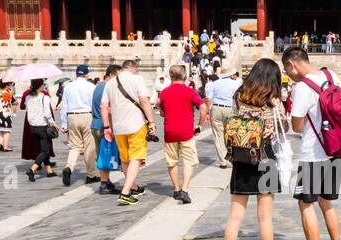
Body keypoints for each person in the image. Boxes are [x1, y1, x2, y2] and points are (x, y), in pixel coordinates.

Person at [282, 45, 341, 240]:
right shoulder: (332, 76)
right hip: (335, 149)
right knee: (326, 202)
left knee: (305, 203)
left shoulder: (301, 88)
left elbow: (297, 125)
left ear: (292, 64)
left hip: (313, 153)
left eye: (286, 70)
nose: (287, 75)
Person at [219, 58, 285, 240]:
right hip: (266, 157)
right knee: (265, 217)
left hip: (241, 155)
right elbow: (280, 127)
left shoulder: (239, 94)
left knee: (235, 216)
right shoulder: (273, 99)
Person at [101, 58, 156, 207]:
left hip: (118, 127)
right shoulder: (137, 79)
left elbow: (103, 106)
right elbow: (144, 101)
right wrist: (151, 122)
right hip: (135, 124)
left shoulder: (110, 83)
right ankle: (125, 192)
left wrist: (107, 127)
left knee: (125, 159)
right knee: (136, 157)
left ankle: (133, 188)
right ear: (134, 68)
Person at [158, 64, 208, 204]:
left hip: (170, 132)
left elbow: (161, 112)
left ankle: (176, 189)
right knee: (189, 161)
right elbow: (203, 107)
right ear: (185, 76)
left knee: (172, 161)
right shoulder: (190, 92)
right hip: (186, 132)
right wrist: (200, 124)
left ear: (170, 76)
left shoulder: (164, 92)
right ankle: (185, 190)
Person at [58, 65, 97, 185]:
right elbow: (94, 104)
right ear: (86, 74)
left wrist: (64, 123)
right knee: (89, 147)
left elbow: (64, 105)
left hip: (72, 116)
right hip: (87, 116)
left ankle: (69, 167)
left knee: (75, 146)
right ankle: (90, 175)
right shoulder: (91, 86)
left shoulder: (68, 86)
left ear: (76, 74)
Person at [90, 64, 120, 193]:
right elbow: (107, 109)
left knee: (102, 154)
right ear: (112, 74)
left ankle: (106, 181)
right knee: (106, 155)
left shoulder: (98, 86)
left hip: (95, 124)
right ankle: (104, 184)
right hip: (104, 125)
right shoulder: (107, 87)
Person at [205, 67, 242, 169]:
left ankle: (223, 161)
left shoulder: (213, 84)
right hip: (230, 109)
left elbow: (208, 99)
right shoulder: (236, 83)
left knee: (218, 135)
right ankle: (234, 157)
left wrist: (207, 113)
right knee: (232, 134)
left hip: (216, 108)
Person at [22, 77, 58, 180]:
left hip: (32, 127)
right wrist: (53, 123)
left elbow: (27, 111)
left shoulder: (28, 97)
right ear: (40, 86)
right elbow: (47, 113)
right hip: (42, 126)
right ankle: (32, 169)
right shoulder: (44, 97)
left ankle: (49, 170)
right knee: (45, 150)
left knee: (43, 148)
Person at [0, 79, 14, 153]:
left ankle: (1, 143)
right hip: (5, 112)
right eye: (8, 85)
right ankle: (6, 146)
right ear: (6, 85)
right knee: (7, 130)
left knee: (1, 129)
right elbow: (11, 103)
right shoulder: (8, 94)